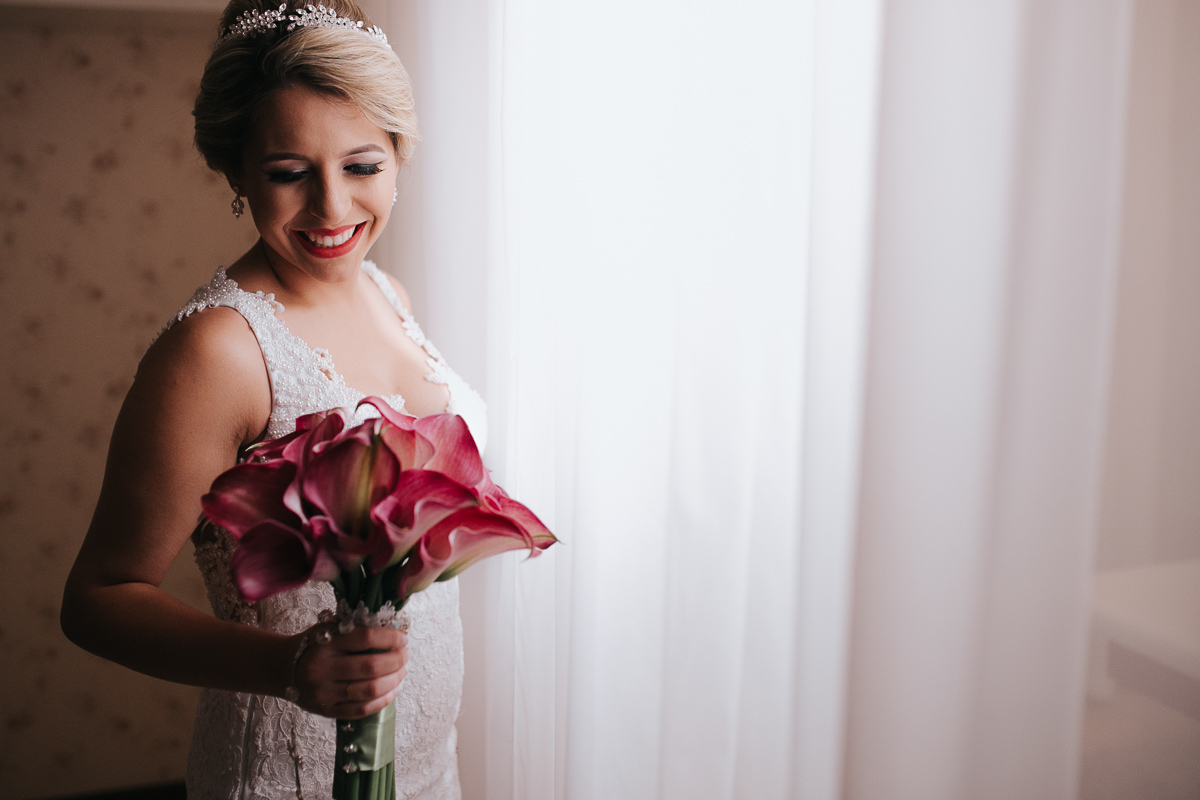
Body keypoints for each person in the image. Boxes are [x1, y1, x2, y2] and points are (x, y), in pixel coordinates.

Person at [60, 1, 484, 797]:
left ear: (399, 153)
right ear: (237, 172)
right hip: (287, 774)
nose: (332, 209)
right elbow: (97, 599)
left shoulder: (387, 293)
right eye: (289, 173)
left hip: (428, 767)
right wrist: (287, 666)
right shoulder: (219, 351)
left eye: (362, 166)